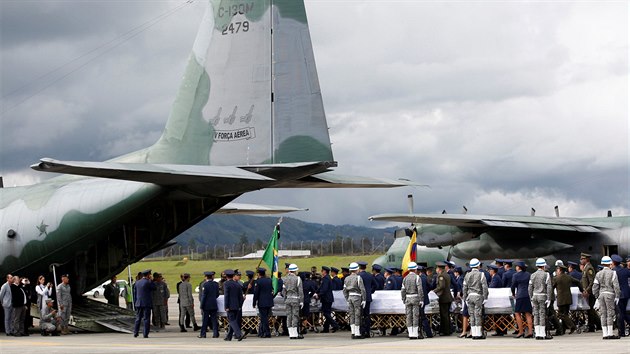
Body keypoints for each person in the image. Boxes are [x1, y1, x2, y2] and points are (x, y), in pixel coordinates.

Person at [593, 256, 621, 339]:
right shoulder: (613, 273)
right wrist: (617, 296)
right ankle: (610, 333)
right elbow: (616, 286)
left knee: (603, 314)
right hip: (610, 294)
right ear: (610, 263)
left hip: (601, 295)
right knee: (610, 313)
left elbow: (595, 287)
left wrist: (596, 296)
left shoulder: (598, 273)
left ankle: (604, 334)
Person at [552, 264, 582, 335]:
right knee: (565, 314)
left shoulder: (556, 278)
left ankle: (572, 326)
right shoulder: (568, 277)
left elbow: (552, 287)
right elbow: (577, 281)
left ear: (560, 270)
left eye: (557, 269)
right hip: (568, 298)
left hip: (561, 299)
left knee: (560, 314)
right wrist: (582, 289)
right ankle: (563, 329)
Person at [463, 258, 488, 340]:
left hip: (469, 296)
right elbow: (484, 286)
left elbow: (464, 288)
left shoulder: (467, 275)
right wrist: (485, 297)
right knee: (478, 315)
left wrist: (465, 298)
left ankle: (473, 333)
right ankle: (478, 334)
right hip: (478, 296)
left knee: (471, 315)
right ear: (478, 265)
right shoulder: (481, 274)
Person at [529, 258, 552, 340]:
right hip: (542, 296)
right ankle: (542, 334)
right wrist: (549, 298)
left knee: (535, 314)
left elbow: (530, 288)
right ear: (543, 266)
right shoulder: (546, 274)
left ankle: (537, 333)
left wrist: (531, 297)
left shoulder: (532, 275)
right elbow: (549, 287)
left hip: (534, 296)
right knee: (542, 314)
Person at [343, 262, 366, 339]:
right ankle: (357, 333)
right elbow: (362, 289)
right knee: (357, 314)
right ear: (357, 270)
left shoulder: (346, 278)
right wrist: (364, 299)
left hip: (349, 297)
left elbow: (344, 290)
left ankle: (352, 332)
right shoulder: (358, 278)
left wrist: (347, 298)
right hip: (357, 297)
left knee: (351, 314)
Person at [401, 262, 423, 340]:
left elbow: (402, 290)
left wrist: (403, 299)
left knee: (408, 316)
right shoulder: (417, 278)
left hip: (407, 298)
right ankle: (415, 333)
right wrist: (421, 299)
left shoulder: (405, 278)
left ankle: (410, 333)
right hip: (415, 297)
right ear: (415, 269)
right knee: (415, 315)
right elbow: (420, 289)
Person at [580, 252, 601, 332]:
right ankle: (597, 325)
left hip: (590, 293)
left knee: (590, 310)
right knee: (590, 310)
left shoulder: (589, 268)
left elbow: (591, 282)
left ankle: (592, 326)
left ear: (587, 259)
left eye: (583, 259)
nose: (581, 260)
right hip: (587, 292)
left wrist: (587, 291)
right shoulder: (585, 268)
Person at [511, 261, 533, 338]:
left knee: (517, 313)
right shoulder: (528, 274)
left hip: (520, 296)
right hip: (527, 295)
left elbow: (513, 286)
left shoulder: (515, 275)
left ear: (518, 267)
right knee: (528, 314)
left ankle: (521, 331)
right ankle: (530, 331)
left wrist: (513, 294)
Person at [282, 264, 303, 340]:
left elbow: (283, 291)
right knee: (295, 316)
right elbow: (300, 291)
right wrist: (301, 301)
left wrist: (285, 299)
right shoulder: (298, 278)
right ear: (295, 270)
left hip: (288, 299)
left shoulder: (284, 279)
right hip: (295, 299)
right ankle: (295, 333)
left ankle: (290, 334)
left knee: (289, 316)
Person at [611, 254, 630, 337]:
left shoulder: (613, 271)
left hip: (618, 295)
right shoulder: (626, 270)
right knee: (624, 313)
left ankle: (621, 332)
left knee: (620, 313)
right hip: (626, 294)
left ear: (613, 262)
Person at [357, 260, 377, 338]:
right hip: (368, 298)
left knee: (360, 315)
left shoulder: (358, 276)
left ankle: (362, 331)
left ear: (359, 267)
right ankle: (367, 331)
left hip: (360, 297)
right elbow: (375, 285)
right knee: (367, 315)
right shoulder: (369, 275)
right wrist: (370, 292)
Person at [224, 269, 245, 341]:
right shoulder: (237, 284)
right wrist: (240, 305)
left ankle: (239, 334)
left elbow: (226, 296)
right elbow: (240, 297)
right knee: (233, 321)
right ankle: (229, 336)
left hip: (230, 305)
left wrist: (226, 306)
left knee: (232, 320)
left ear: (226, 276)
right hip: (237, 305)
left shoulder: (226, 284)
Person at [316, 266, 339, 333]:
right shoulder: (327, 278)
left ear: (324, 272)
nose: (321, 272)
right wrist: (316, 292)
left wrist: (318, 295)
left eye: (322, 271)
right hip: (328, 298)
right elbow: (321, 288)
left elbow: (324, 289)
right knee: (327, 313)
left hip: (326, 298)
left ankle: (335, 325)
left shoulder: (326, 279)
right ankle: (326, 328)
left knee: (326, 313)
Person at [133, 269, 155, 338]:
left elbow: (135, 293)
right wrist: (151, 280)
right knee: (146, 318)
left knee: (138, 318)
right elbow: (154, 287)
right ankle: (145, 333)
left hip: (139, 303)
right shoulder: (148, 282)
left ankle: (135, 332)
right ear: (148, 275)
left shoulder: (137, 282)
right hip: (146, 303)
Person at [253, 268, 274, 338]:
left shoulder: (258, 281)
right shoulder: (269, 280)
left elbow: (256, 293)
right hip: (269, 301)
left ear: (259, 274)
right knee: (265, 318)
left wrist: (254, 302)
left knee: (264, 318)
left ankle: (267, 332)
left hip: (262, 302)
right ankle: (261, 332)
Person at [434, 262, 453, 336]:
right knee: (447, 315)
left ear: (439, 269)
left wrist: (434, 291)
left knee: (444, 315)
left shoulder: (441, 276)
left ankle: (446, 331)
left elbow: (441, 286)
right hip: (448, 297)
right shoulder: (447, 275)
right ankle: (448, 329)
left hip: (443, 297)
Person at [198, 271, 219, 339]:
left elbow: (204, 296)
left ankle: (203, 334)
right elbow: (217, 294)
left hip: (206, 305)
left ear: (206, 277)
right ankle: (215, 334)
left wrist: (201, 305)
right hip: (214, 304)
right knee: (214, 320)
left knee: (205, 320)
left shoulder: (205, 285)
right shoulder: (216, 284)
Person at [417, 266, 433, 338]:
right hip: (424, 299)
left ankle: (426, 332)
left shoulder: (419, 278)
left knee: (422, 316)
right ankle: (427, 332)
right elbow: (429, 287)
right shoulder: (424, 277)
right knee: (422, 316)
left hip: (420, 299)